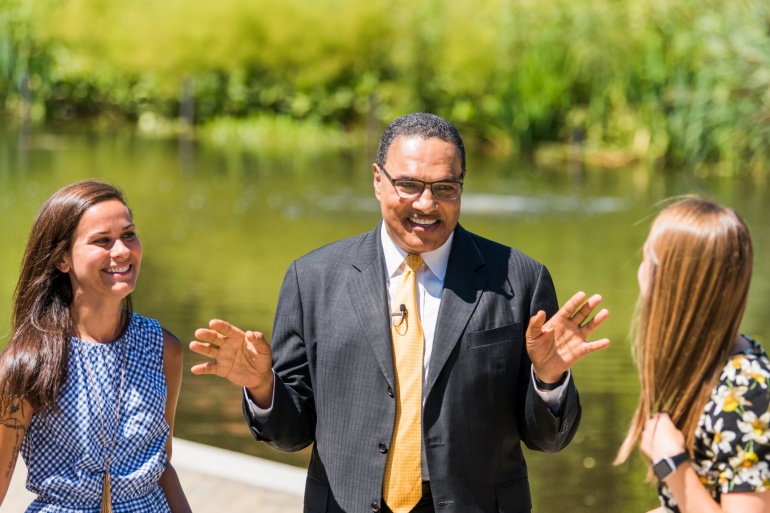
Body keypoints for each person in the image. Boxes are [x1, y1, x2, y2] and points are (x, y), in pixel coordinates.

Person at [190, 112, 610, 512]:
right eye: (408, 185)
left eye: (445, 188)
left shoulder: (519, 279)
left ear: (463, 185)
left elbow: (548, 440)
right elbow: (291, 433)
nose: (426, 204)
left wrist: (550, 380)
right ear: (377, 180)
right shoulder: (313, 279)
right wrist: (264, 387)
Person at [0, 180, 191, 512]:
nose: (121, 251)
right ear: (62, 259)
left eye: (129, 235)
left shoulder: (163, 349)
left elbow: (161, 465)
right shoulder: (29, 363)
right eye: (102, 240)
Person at [614, 197, 769, 513]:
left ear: (672, 282)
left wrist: (673, 465)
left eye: (647, 258)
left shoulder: (748, 391)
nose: (640, 272)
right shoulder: (713, 367)